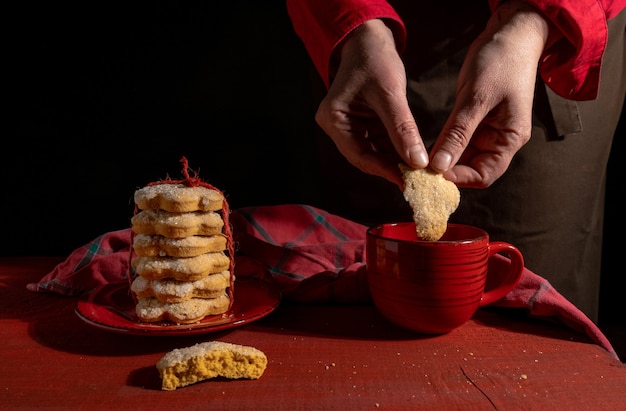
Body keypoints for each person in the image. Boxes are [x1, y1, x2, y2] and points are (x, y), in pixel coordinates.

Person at [286, 0, 626, 322]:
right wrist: (354, 21)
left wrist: (530, 25)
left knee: (535, 303)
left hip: (549, 30)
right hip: (366, 44)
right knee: (365, 293)